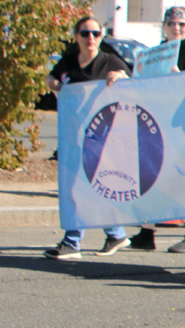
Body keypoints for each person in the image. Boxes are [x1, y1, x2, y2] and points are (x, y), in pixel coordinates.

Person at [43, 17, 132, 259]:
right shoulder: (69, 61)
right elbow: (51, 77)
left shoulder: (110, 61)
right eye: (85, 33)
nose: (90, 38)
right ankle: (115, 233)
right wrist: (53, 83)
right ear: (76, 36)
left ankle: (73, 241)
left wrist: (121, 78)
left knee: (83, 185)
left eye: (95, 33)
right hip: (74, 133)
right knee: (86, 185)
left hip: (104, 136)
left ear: (101, 36)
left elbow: (134, 83)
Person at [128, 7, 185, 253]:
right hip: (160, 121)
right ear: (164, 26)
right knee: (153, 175)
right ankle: (147, 232)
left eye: (181, 24)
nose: (176, 28)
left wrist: (179, 78)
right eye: (172, 23)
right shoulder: (158, 53)